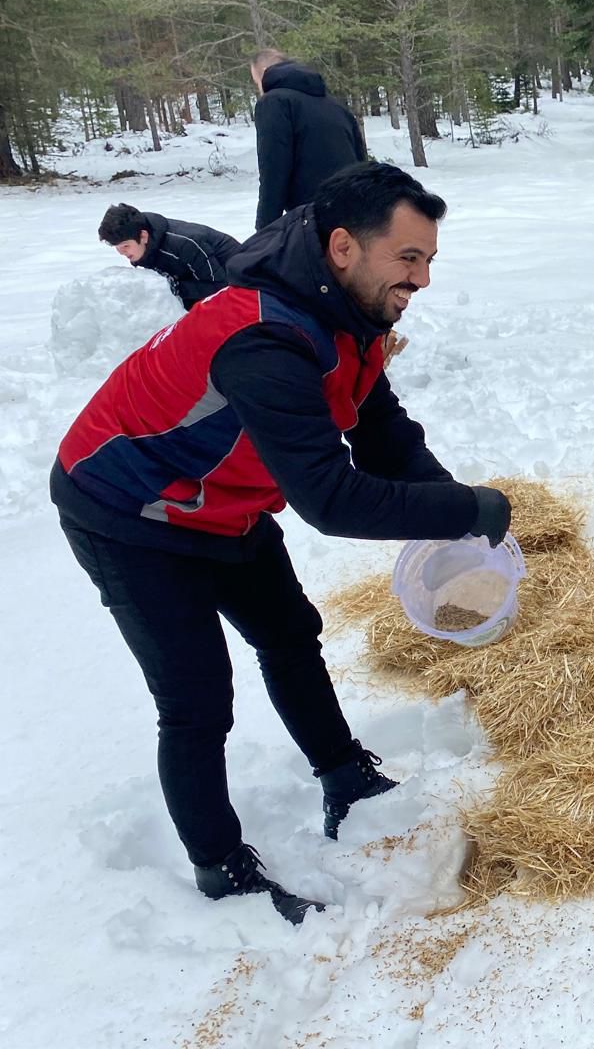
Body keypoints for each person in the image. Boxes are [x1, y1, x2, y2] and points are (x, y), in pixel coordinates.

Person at [52, 162, 511, 924]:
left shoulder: (354, 319)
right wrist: (465, 508)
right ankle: (220, 868)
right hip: (127, 507)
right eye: (408, 258)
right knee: (197, 699)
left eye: (429, 260)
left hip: (221, 503)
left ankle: (343, 775)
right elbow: (329, 497)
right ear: (342, 247)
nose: (422, 279)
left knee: (291, 634)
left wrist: (456, 519)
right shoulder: (265, 337)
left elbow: (384, 436)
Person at [250, 48, 367, 231]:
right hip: (355, 215)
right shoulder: (335, 105)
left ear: (264, 73)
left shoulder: (274, 102)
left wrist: (264, 234)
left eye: (256, 81)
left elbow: (273, 170)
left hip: (313, 221)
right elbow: (362, 162)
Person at [97, 203, 242, 310]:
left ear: (143, 236)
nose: (121, 252)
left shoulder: (186, 244)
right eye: (117, 248)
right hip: (201, 288)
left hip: (242, 287)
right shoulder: (141, 244)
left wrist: (174, 287)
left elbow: (220, 287)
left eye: (125, 246)